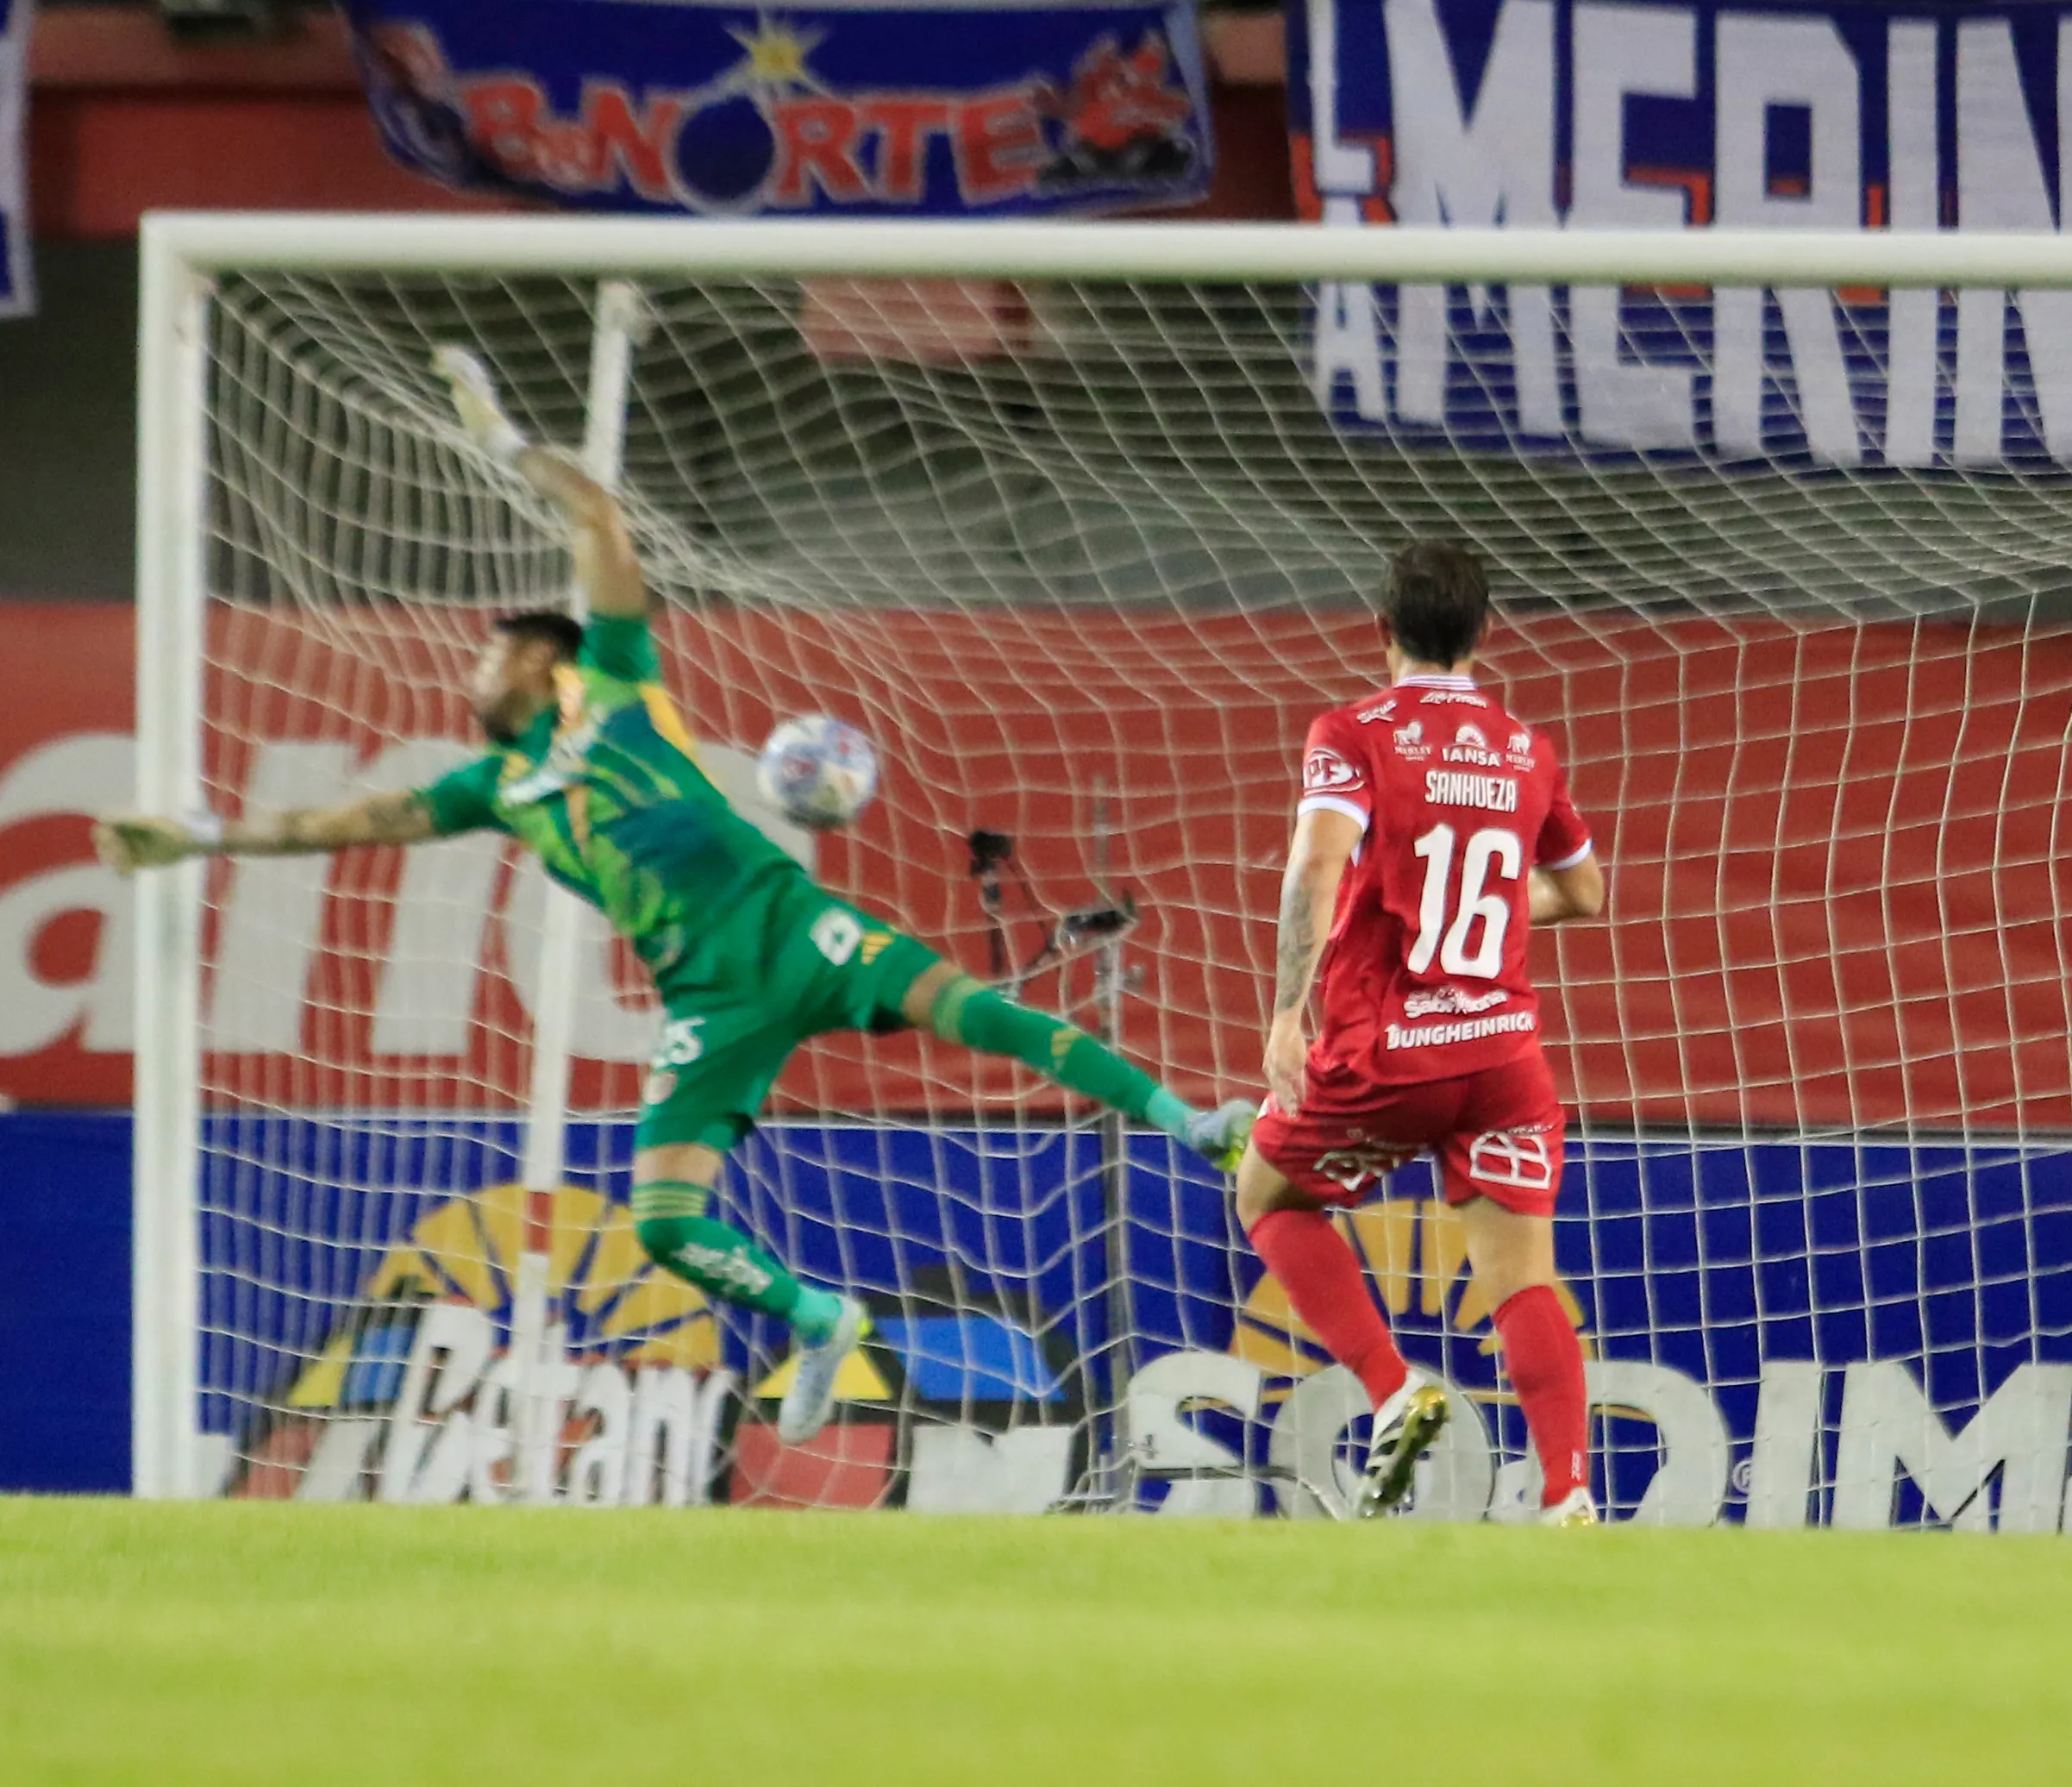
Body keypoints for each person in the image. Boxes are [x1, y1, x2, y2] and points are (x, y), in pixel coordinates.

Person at [97, 347, 1252, 1449]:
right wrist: (199, 833)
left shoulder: (615, 682)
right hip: (707, 998)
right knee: (661, 1221)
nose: (470, 673)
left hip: (792, 928)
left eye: (488, 655)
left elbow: (598, 522)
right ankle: (820, 1319)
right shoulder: (491, 785)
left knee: (979, 1013)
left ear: (541, 658)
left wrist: (503, 442)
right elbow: (338, 824)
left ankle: (1189, 1122)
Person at [1234, 541, 1608, 1522]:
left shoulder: (1353, 733)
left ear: (1380, 629)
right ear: (1484, 632)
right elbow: (1583, 891)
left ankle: (1393, 1390)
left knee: (1265, 1193)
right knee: (1521, 1278)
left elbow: (1315, 866)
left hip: (1393, 1049)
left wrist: (1285, 1013)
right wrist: (1493, 904)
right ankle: (1568, 1496)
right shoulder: (1526, 750)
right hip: (1503, 1055)